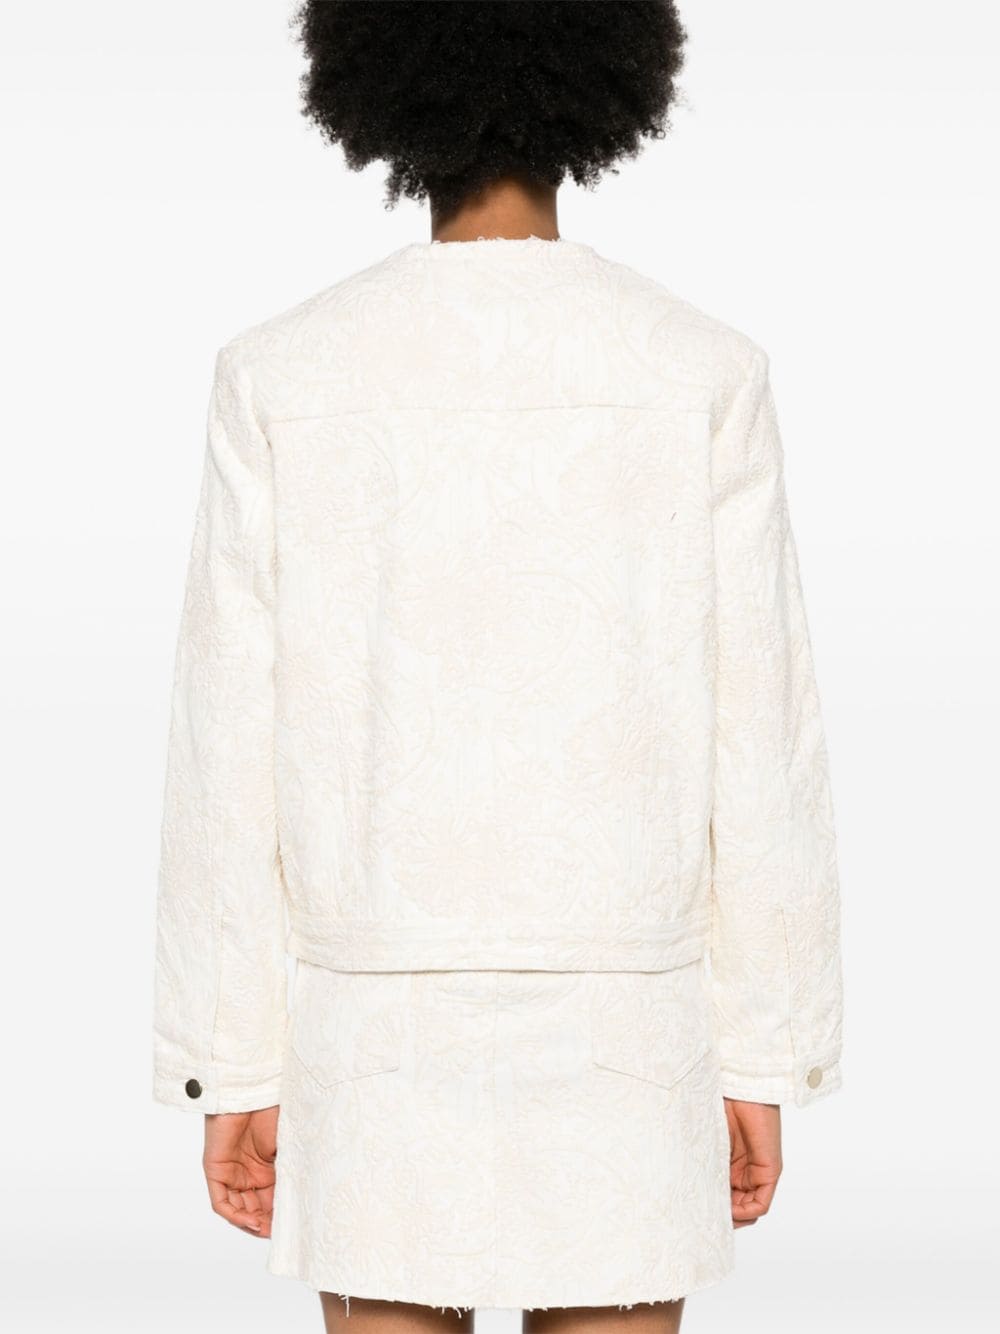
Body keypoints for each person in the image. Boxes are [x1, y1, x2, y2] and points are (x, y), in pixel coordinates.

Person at [152, 4, 844, 1332]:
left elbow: (224, 742)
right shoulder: (703, 369)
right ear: (608, 80)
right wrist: (768, 1048)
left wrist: (227, 1061)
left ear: (373, 83)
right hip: (630, 1023)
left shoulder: (280, 373)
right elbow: (765, 737)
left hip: (373, 1025)